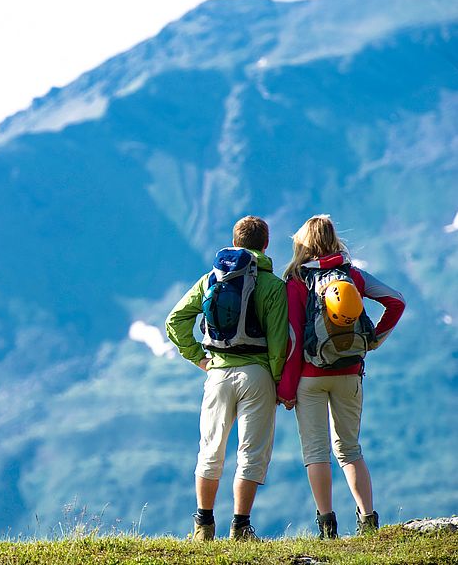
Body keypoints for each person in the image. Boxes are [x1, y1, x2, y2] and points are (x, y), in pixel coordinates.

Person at [277, 215, 405, 539]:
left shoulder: (296, 281)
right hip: (349, 372)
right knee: (349, 449)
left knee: (316, 452)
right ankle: (368, 520)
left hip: (310, 377)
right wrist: (373, 339)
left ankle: (326, 526)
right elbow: (396, 301)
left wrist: (287, 388)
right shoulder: (353, 277)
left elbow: (293, 340)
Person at [166, 216, 288, 541]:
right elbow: (278, 344)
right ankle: (241, 526)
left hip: (217, 374)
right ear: (266, 245)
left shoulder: (210, 280)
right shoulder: (274, 286)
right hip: (258, 376)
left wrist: (200, 358)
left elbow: (175, 321)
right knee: (250, 452)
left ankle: (203, 525)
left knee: (210, 449)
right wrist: (277, 381)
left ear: (235, 243)